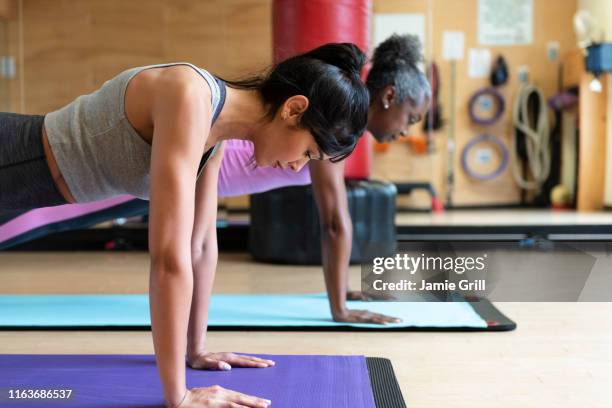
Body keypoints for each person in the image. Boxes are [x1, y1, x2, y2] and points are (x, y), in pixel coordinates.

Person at [0, 43, 369, 408]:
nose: (298, 168)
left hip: (21, 191)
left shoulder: (215, 132)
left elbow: (200, 245)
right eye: (307, 153)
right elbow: (168, 259)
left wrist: (197, 350)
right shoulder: (189, 96)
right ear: (293, 109)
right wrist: (178, 395)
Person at [217, 34, 432, 324]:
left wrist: (343, 289)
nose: (406, 132)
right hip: (199, 168)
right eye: (411, 118)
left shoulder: (344, 126)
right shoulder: (339, 121)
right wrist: (340, 310)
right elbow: (333, 222)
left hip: (205, 177)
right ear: (389, 96)